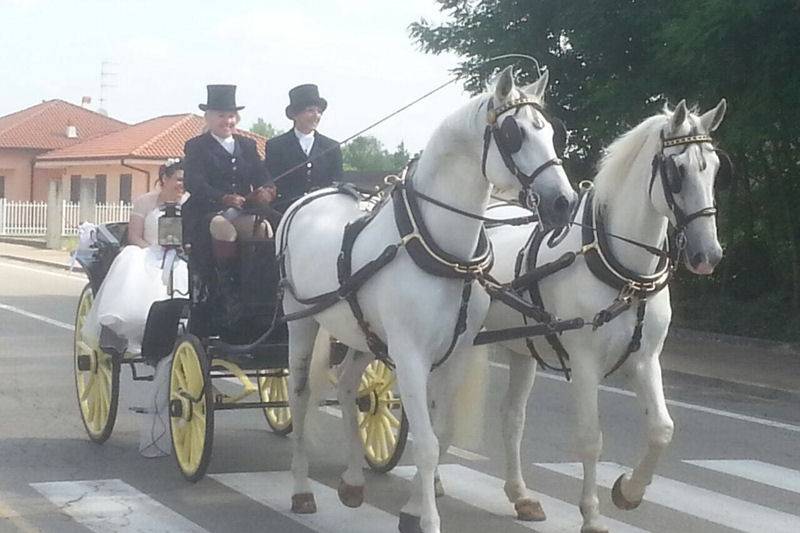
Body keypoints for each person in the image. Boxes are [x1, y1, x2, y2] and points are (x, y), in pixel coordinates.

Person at [81, 159, 188, 458]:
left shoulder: (192, 201)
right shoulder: (145, 201)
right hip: (149, 254)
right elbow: (135, 236)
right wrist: (156, 251)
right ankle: (147, 322)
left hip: (184, 256)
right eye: (177, 178)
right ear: (164, 178)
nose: (181, 184)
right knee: (131, 257)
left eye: (184, 180)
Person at [182, 84, 275, 323]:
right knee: (225, 229)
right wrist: (223, 198)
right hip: (207, 212)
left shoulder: (247, 146)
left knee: (262, 228)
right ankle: (227, 292)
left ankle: (258, 289)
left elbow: (261, 174)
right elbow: (195, 183)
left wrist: (267, 190)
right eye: (221, 116)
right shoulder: (196, 146)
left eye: (231, 116)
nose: (227, 121)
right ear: (209, 118)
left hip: (242, 210)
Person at [264, 84, 343, 212]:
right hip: (286, 212)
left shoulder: (332, 147)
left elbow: (337, 183)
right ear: (296, 115)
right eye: (310, 110)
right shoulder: (276, 146)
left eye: (319, 111)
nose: (316, 116)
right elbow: (271, 182)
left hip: (323, 211)